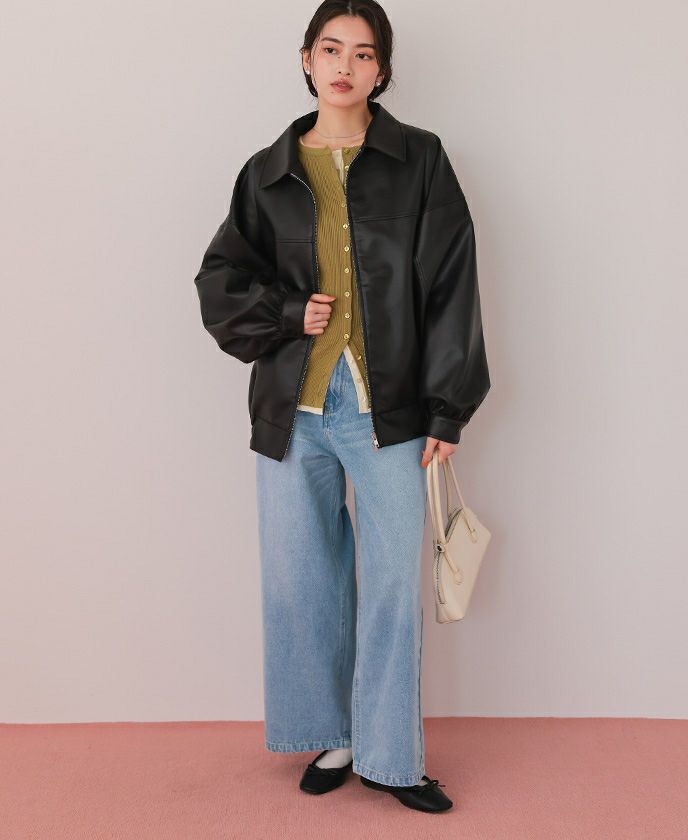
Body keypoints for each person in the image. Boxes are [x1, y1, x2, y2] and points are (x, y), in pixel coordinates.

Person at [194, 0, 490, 815]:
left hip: (388, 407)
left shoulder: (419, 159)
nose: (345, 66)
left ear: (381, 71)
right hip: (293, 409)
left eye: (363, 54)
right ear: (306, 59)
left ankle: (392, 758)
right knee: (302, 584)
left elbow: (452, 282)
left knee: (392, 587)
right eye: (331, 49)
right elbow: (219, 283)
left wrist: (448, 408)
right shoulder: (267, 172)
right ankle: (334, 734)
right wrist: (290, 314)